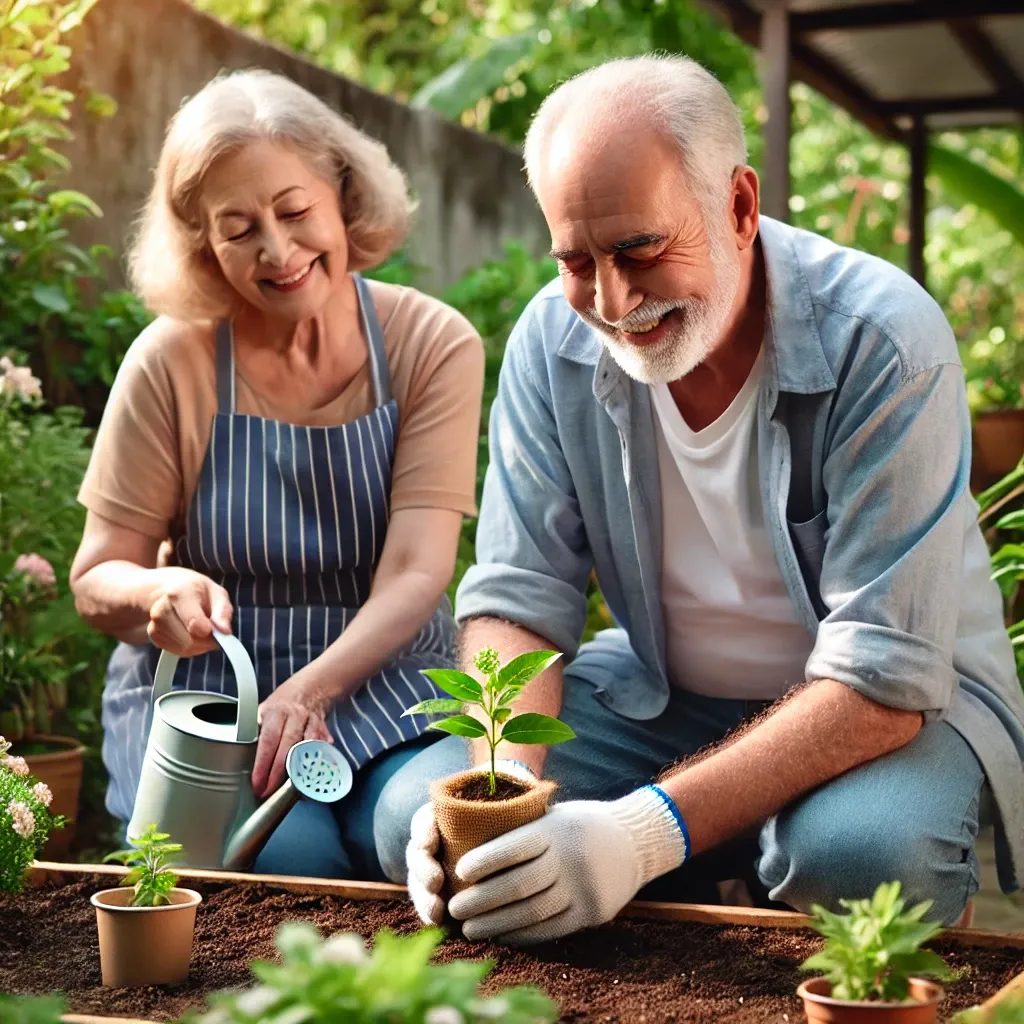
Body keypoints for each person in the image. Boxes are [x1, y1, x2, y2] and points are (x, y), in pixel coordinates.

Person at [376, 54, 1024, 942]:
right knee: (424, 819)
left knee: (860, 855)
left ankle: (715, 850)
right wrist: (505, 790)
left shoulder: (883, 339)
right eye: (576, 260)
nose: (611, 300)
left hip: (892, 712)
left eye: (640, 249)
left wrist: (640, 835)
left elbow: (886, 676)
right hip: (664, 694)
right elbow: (521, 595)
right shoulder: (551, 342)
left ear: (741, 207)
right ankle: (713, 870)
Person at [69, 70, 484, 879]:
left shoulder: (432, 344)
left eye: (294, 212)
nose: (278, 250)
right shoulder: (172, 361)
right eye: (239, 228)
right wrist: (156, 593)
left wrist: (312, 690)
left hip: (390, 685)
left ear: (341, 191)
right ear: (203, 242)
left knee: (432, 840)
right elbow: (96, 576)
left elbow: (416, 568)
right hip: (217, 705)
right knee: (274, 872)